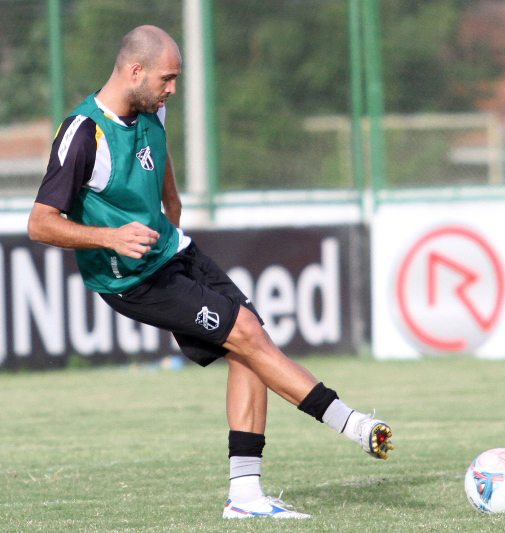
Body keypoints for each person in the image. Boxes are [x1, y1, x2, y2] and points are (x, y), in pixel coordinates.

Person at [27, 25, 393, 520]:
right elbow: (40, 223)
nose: (173, 89)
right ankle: (353, 426)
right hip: (132, 279)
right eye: (167, 78)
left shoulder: (152, 108)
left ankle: (245, 496)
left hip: (173, 251)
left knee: (250, 342)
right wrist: (111, 237)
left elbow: (159, 163)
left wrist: (172, 211)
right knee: (247, 335)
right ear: (134, 71)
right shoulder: (82, 134)